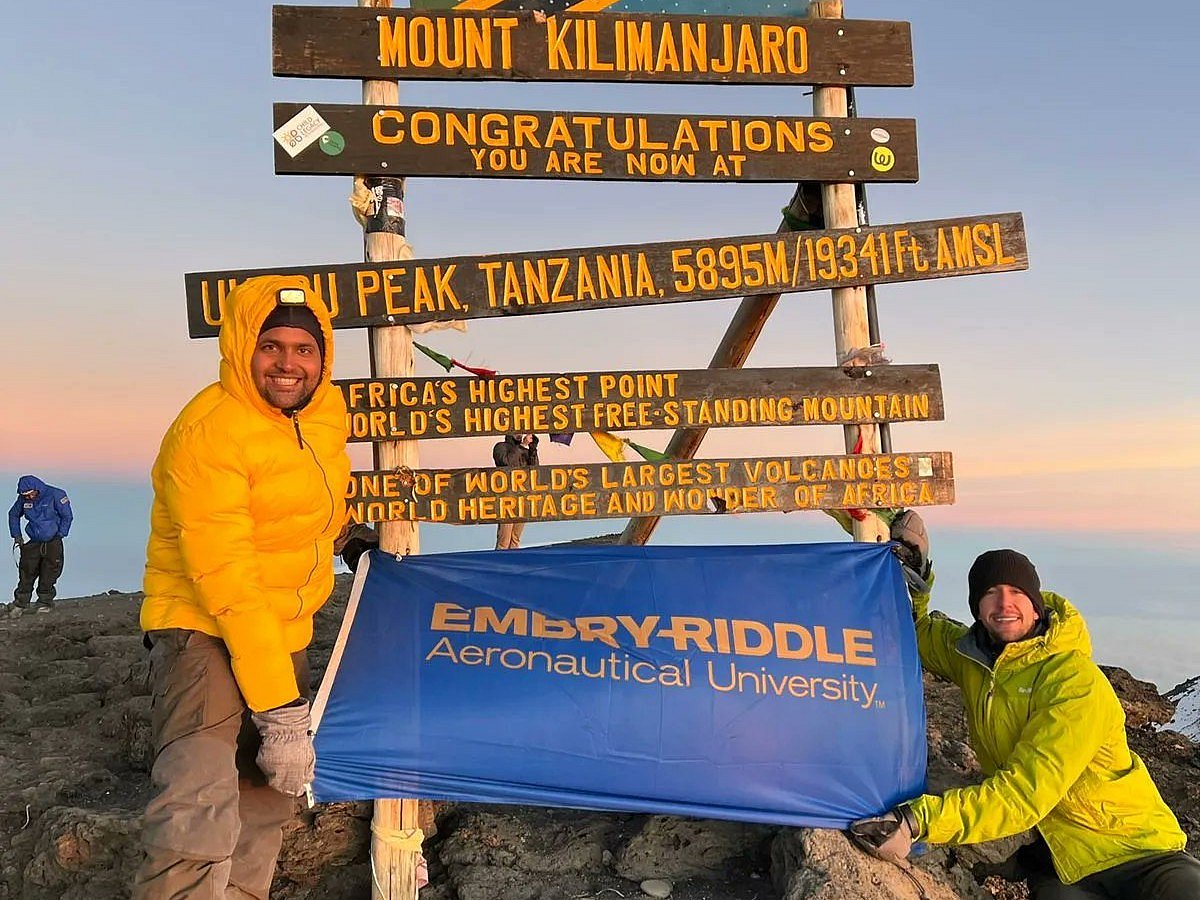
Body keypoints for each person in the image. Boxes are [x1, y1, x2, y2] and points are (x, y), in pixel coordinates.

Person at [849, 512, 1200, 899]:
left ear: (1036, 605)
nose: (1004, 603)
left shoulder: (1073, 681)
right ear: (977, 609)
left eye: (1017, 593)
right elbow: (914, 631)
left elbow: (1024, 794)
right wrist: (915, 576)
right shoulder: (974, 658)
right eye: (990, 593)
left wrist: (917, 820)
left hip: (1140, 852)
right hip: (1059, 862)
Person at [135, 277, 350, 899]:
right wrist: (280, 712)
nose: (288, 363)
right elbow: (227, 577)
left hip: (281, 626)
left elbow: (297, 505)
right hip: (203, 625)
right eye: (271, 346)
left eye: (303, 349)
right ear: (240, 348)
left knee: (266, 799)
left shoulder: (319, 416)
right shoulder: (211, 430)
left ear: (323, 355)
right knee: (194, 808)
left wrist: (345, 534)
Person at [8, 475, 72, 611]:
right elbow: (13, 514)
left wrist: (61, 533)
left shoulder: (56, 494)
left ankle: (44, 602)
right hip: (34, 542)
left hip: (52, 541)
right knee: (26, 572)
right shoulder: (22, 500)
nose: (29, 497)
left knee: (50, 572)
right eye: (25, 495)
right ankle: (20, 603)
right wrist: (17, 535)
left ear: (37, 489)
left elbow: (67, 516)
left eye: (30, 494)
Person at [492, 433, 538, 550]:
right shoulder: (501, 447)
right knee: (504, 539)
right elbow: (507, 463)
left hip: (522, 498)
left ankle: (513, 564)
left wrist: (532, 450)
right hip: (507, 498)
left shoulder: (524, 450)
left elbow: (535, 470)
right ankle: (499, 564)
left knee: (515, 539)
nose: (519, 434)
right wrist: (522, 446)